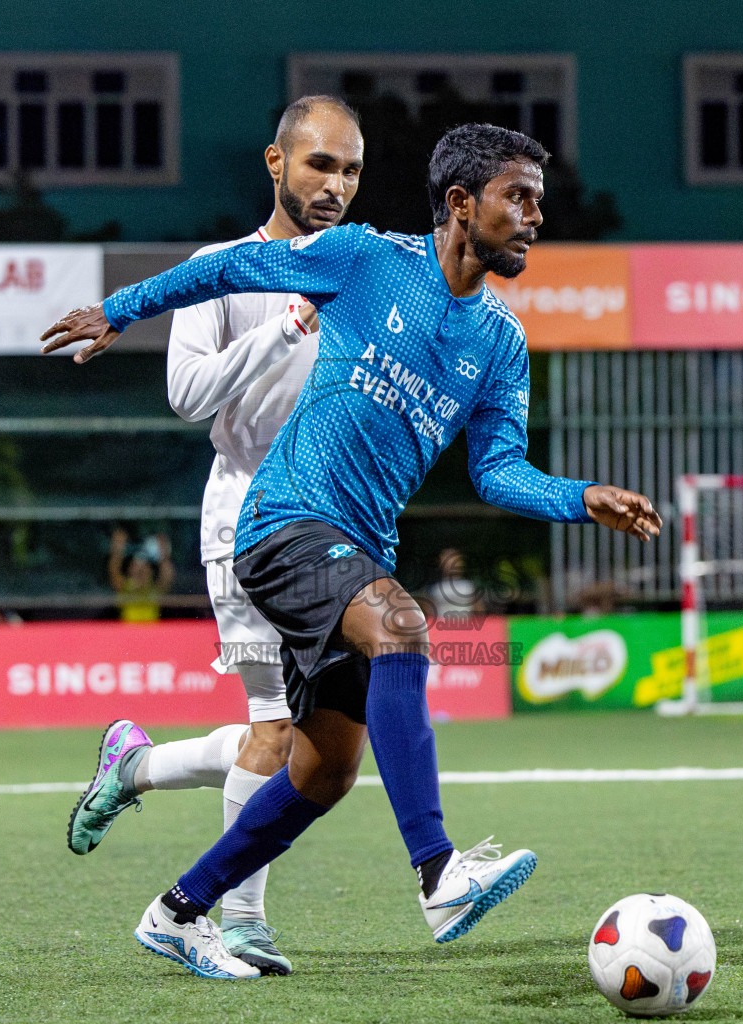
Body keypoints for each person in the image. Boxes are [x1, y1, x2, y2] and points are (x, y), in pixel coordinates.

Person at [43, 122, 661, 979]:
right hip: (283, 522)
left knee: (324, 769)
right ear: (459, 203)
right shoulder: (367, 259)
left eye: (539, 204)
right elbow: (225, 268)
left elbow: (498, 471)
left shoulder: (501, 343)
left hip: (356, 547)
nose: (534, 218)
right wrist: (116, 310)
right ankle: (440, 872)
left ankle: (178, 912)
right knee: (402, 626)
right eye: (518, 198)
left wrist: (579, 498)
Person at [65, 96, 363, 976]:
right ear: (276, 164)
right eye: (319, 165)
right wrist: (286, 324)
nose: (335, 185)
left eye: (349, 169)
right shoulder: (220, 269)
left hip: (336, 528)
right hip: (248, 523)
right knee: (277, 737)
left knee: (306, 746)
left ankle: (136, 767)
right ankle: (236, 922)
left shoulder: (362, 267)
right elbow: (189, 396)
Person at [107, 528, 175, 624]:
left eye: (143, 568)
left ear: (150, 571)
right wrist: (117, 550)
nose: (139, 571)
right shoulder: (125, 587)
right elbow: (114, 571)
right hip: (128, 632)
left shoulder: (154, 589)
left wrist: (163, 554)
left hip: (151, 632)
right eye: (135, 567)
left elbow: (167, 576)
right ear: (130, 570)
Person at [425, 547, 484, 623]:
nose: (450, 564)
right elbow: (430, 613)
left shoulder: (469, 586)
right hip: (442, 629)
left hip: (467, 628)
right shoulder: (435, 589)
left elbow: (479, 610)